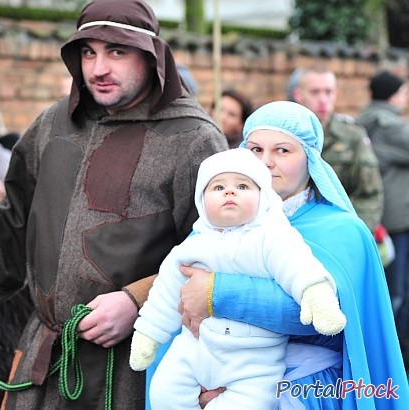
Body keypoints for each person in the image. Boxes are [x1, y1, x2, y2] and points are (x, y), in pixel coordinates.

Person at [0, 0, 228, 408]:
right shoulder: (53, 124)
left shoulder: (194, 138)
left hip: (136, 368)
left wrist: (137, 301)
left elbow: (219, 253)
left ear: (151, 56)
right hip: (42, 362)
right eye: (88, 52)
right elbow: (15, 221)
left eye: (116, 52)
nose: (98, 68)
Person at [171, 101, 408, 409]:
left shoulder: (342, 231)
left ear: (309, 158)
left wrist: (217, 292)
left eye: (282, 150)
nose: (266, 162)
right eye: (255, 149)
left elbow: (322, 317)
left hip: (305, 390)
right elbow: (180, 297)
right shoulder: (214, 226)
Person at [130, 148, 346, 409]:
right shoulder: (191, 247)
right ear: (202, 201)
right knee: (165, 392)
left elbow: (299, 268)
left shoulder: (272, 239)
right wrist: (148, 334)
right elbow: (164, 294)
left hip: (254, 361)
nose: (230, 192)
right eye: (218, 187)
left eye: (243, 186)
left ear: (262, 197)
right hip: (196, 349)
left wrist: (315, 294)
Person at [291, 66, 384, 235]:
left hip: (339, 230)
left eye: (328, 92)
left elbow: (369, 194)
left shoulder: (352, 135)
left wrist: (354, 233)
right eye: (315, 92)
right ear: (298, 95)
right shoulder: (284, 135)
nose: (323, 99)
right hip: (292, 231)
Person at [357, 69, 409, 358]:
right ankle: (392, 351)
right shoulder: (388, 124)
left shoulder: (367, 120)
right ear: (392, 95)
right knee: (396, 291)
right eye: (403, 92)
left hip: (384, 219)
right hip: (395, 221)